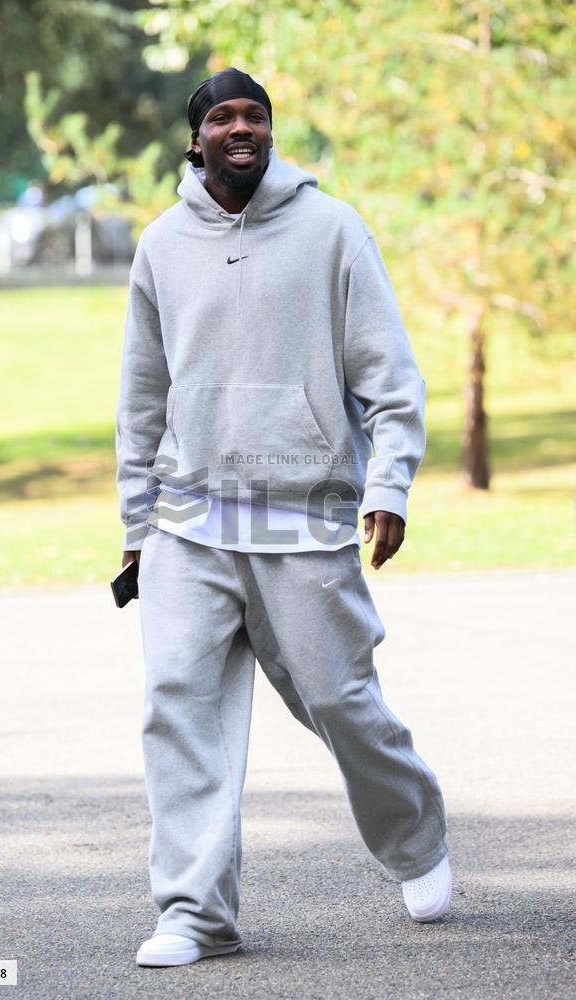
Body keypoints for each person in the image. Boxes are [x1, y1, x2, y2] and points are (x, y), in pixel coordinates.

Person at [115, 67, 452, 969]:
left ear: (270, 132)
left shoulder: (333, 230)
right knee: (177, 706)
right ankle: (195, 914)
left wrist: (389, 487)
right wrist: (135, 520)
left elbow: (390, 376)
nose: (240, 128)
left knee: (341, 701)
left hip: (304, 519)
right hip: (188, 523)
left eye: (254, 116)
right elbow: (143, 396)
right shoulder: (161, 245)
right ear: (196, 139)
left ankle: (416, 837)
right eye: (221, 117)